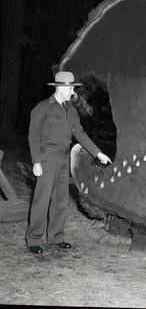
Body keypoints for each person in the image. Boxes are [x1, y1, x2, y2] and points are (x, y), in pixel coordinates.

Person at [25, 71, 112, 254]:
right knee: (41, 201)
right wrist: (36, 162)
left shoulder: (71, 110)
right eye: (71, 87)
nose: (73, 90)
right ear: (60, 87)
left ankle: (55, 238)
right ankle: (33, 239)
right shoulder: (43, 108)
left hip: (64, 159)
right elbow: (33, 136)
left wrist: (97, 153)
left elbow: (80, 134)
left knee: (60, 201)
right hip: (47, 158)